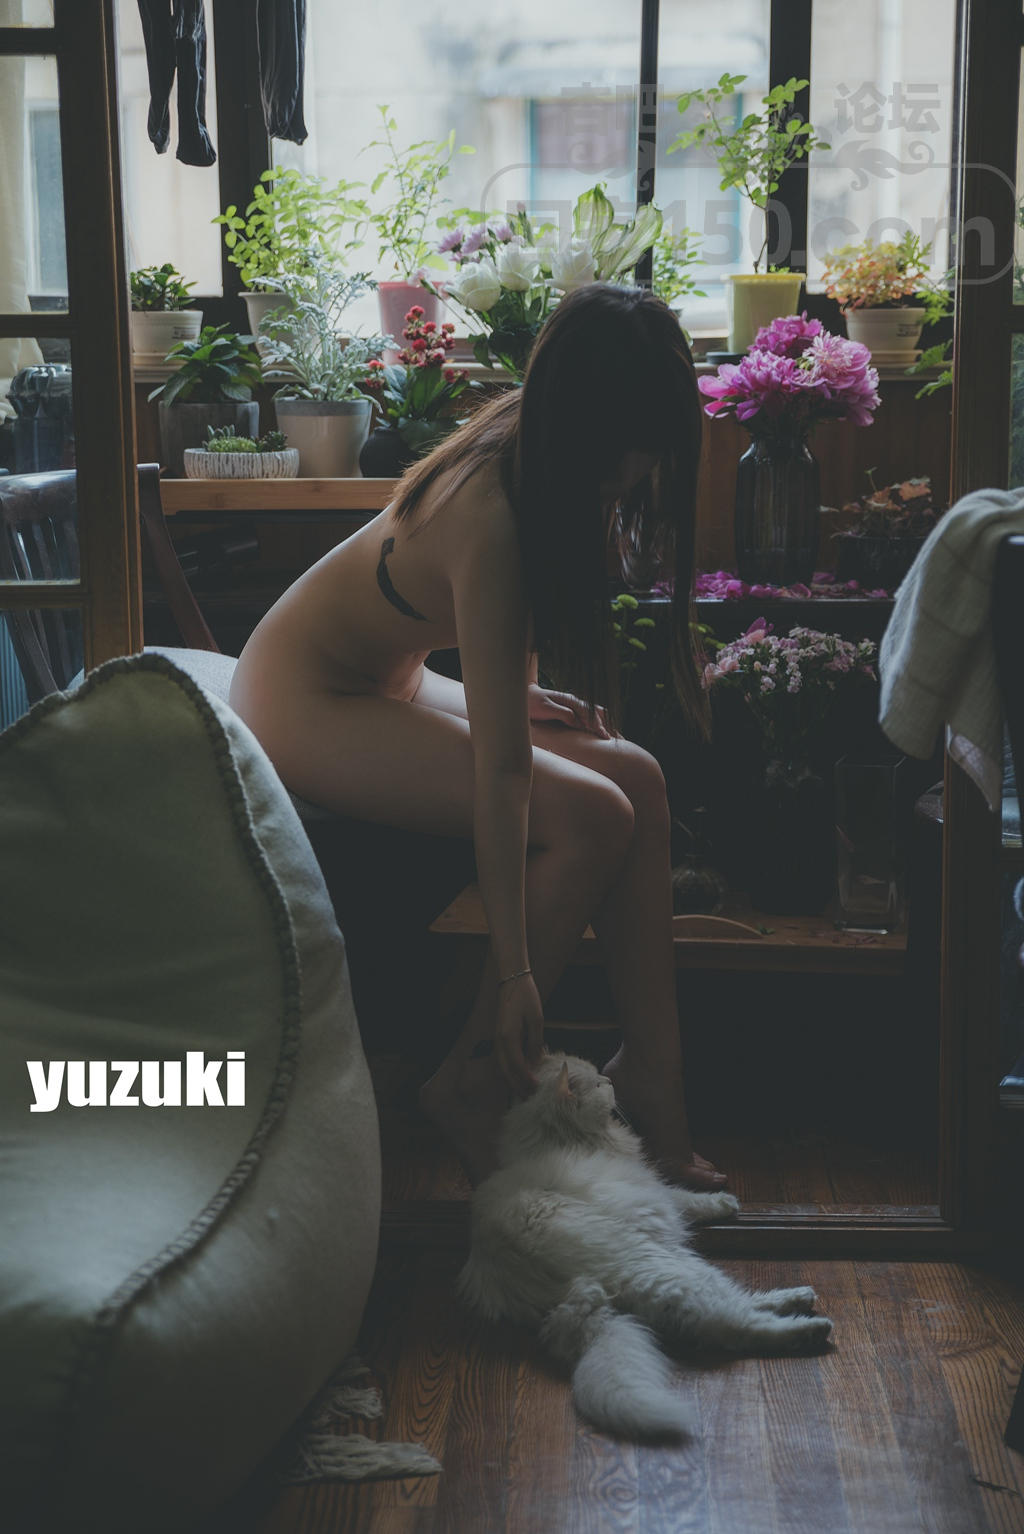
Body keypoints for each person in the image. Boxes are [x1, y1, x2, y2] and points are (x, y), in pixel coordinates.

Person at [228, 282, 726, 1190]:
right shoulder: (492, 517)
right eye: (628, 453)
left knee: (639, 778)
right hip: (303, 696)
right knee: (596, 816)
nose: (638, 473)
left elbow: (502, 659)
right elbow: (504, 775)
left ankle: (655, 1073)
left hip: (388, 678)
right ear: (586, 426)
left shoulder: (538, 449)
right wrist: (515, 975)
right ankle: (470, 1080)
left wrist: (512, 695)